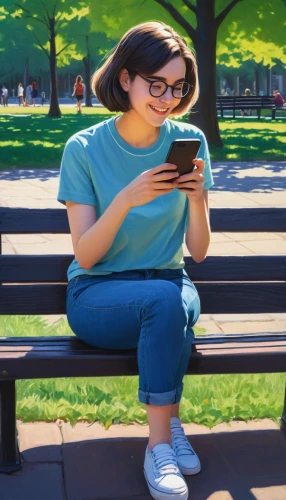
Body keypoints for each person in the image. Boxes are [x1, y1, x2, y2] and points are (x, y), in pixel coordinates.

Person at [57, 21, 213, 500]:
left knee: (172, 302)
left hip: (168, 284)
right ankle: (160, 445)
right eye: (156, 84)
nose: (168, 97)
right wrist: (125, 198)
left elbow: (200, 252)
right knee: (167, 305)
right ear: (126, 78)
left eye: (178, 86)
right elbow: (85, 253)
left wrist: (195, 198)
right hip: (97, 295)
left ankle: (166, 424)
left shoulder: (189, 140)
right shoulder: (83, 149)